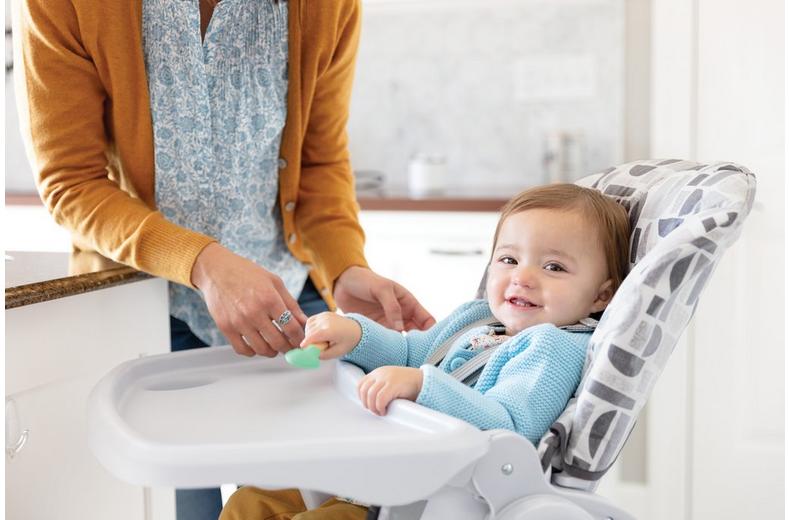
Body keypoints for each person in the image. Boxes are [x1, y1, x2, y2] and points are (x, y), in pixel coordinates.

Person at [13, 0, 434, 518]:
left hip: (289, 311)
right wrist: (205, 264)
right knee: (176, 507)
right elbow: (71, 183)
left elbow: (319, 164)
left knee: (296, 504)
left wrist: (346, 268)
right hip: (147, 310)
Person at [219, 183, 631, 520]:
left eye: (553, 267)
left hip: (419, 499)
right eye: (508, 259)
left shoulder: (553, 348)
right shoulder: (477, 317)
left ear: (601, 295)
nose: (521, 277)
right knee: (249, 502)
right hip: (371, 467)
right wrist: (356, 334)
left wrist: (421, 387)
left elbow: (511, 428)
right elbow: (410, 351)